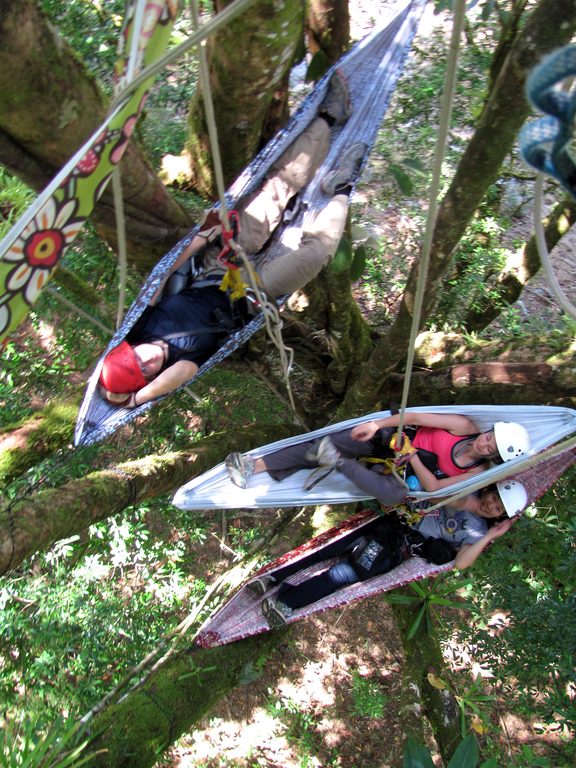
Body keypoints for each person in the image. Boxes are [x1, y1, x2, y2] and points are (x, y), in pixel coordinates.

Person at [99, 71, 366, 408]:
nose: (148, 362)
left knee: (276, 188)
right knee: (316, 255)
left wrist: (200, 239)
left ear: (130, 347)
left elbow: (162, 278)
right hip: (253, 294)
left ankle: (329, 117)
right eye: (145, 371)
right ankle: (340, 188)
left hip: (219, 265)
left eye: (137, 359)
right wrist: (136, 399)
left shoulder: (142, 324)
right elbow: (166, 383)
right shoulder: (182, 363)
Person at [258, 478, 528, 628]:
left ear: (501, 515)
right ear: (491, 489)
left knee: (340, 575)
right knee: (328, 549)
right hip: (390, 521)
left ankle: (287, 604)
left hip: (399, 545)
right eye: (494, 498)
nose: (490, 504)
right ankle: (272, 578)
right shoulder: (471, 486)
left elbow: (461, 563)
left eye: (497, 508)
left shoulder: (478, 532)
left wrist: (492, 535)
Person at [225, 411, 531, 505]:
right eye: (490, 437)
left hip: (400, 472)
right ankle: (254, 465)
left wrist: (412, 459)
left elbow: (434, 489)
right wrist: (377, 425)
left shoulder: (477, 470)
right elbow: (414, 415)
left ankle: (336, 462)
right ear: (489, 430)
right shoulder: (464, 428)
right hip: (389, 442)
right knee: (336, 441)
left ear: (495, 457)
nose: (485, 444)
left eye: (492, 448)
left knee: (395, 495)